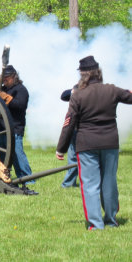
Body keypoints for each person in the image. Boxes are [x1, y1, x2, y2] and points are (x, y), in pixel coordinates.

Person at [56, 55, 132, 230]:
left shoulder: (78, 95)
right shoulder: (112, 90)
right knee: (109, 182)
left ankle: (96, 224)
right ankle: (111, 220)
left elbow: (69, 123)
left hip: (87, 144)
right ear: (98, 73)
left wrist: (61, 149)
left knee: (90, 184)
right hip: (110, 143)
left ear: (83, 75)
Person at [0, 65, 35, 184]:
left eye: (7, 77)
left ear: (14, 77)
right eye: (3, 78)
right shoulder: (2, 88)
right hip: (0, 129)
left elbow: (20, 106)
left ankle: (27, 179)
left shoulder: (21, 90)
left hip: (14, 129)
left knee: (18, 156)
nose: (5, 80)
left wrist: (7, 98)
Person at [60, 86, 79, 188]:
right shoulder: (78, 88)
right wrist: (73, 91)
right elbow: (63, 96)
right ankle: (69, 183)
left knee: (75, 159)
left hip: (82, 129)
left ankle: (68, 184)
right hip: (76, 129)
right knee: (74, 159)